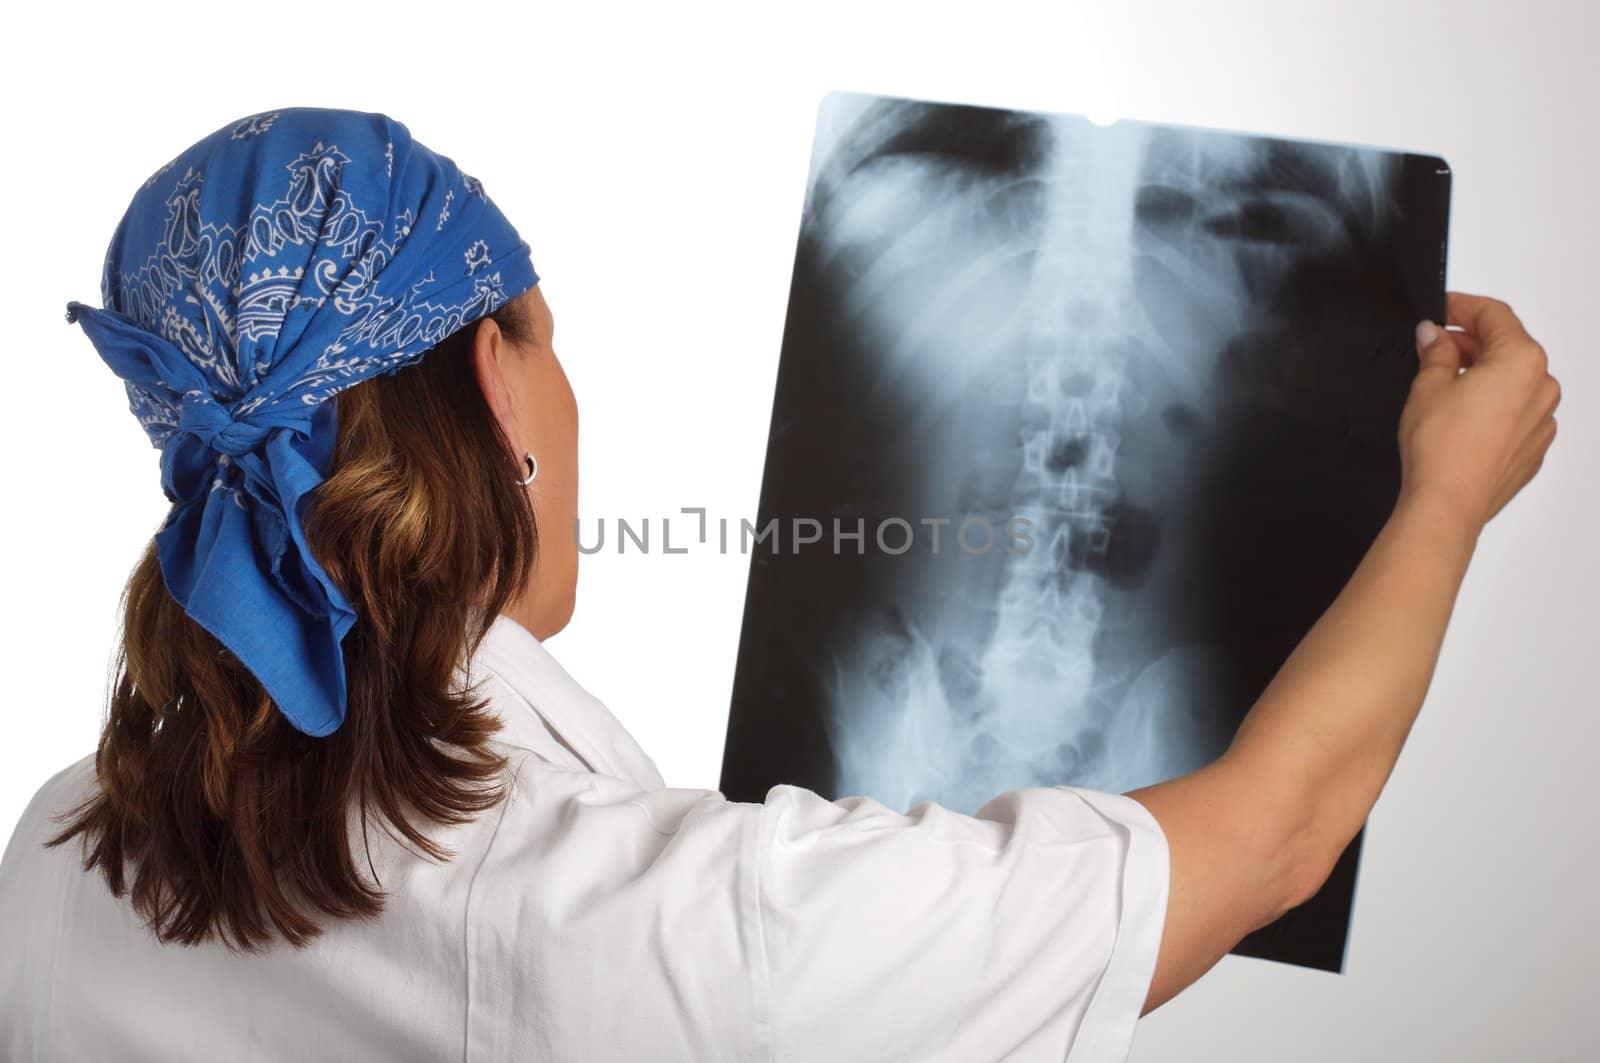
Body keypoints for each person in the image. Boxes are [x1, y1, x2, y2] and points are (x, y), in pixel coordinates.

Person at [0, 108, 1560, 1063]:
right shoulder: (675, 924)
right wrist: (1446, 498)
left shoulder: (56, 852)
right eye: (547, 339)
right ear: (495, 383)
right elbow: (1274, 839)